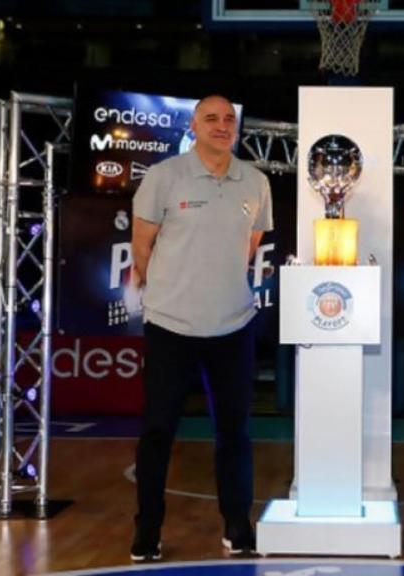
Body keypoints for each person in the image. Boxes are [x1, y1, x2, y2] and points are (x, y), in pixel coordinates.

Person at [128, 95, 273, 562]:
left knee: (235, 434)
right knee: (158, 432)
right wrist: (170, 294)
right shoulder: (163, 177)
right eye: (211, 118)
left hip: (233, 325)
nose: (222, 125)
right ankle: (147, 532)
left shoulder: (255, 181)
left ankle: (238, 528)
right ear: (193, 126)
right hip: (170, 325)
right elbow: (142, 248)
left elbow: (249, 247)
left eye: (229, 119)